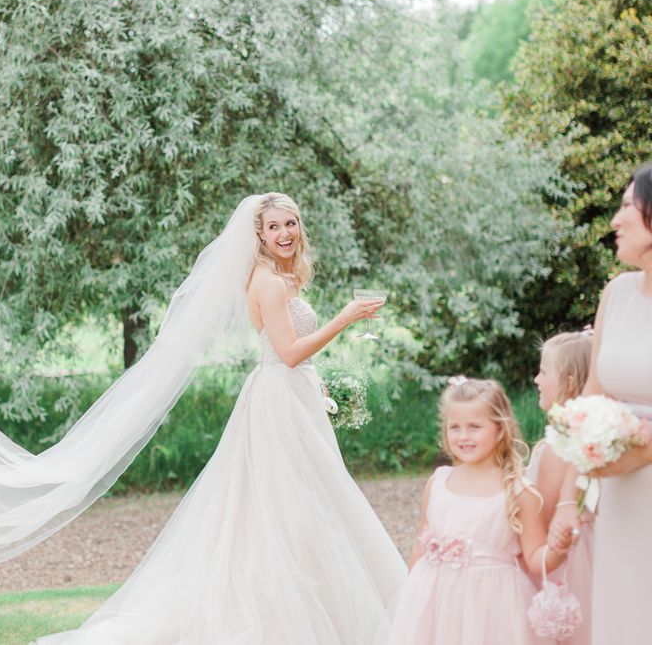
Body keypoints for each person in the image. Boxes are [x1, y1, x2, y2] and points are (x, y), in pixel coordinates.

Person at [28, 192, 407, 643]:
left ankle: (321, 607)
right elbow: (286, 354)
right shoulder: (267, 282)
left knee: (305, 503)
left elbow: (287, 353)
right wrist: (344, 318)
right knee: (290, 507)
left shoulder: (283, 278)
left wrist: (316, 381)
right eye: (274, 227)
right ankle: (283, 615)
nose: (285, 233)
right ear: (260, 236)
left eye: (291, 224)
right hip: (279, 403)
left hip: (292, 397)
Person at [388, 378, 572, 645]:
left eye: (474, 427)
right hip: (436, 603)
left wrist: (557, 548)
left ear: (500, 429)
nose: (463, 436)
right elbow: (421, 544)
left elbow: (534, 557)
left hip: (492, 608)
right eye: (455, 427)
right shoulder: (439, 482)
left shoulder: (518, 491)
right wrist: (412, 597)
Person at [552, 164, 652, 645]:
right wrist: (569, 500)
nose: (615, 219)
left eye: (627, 206)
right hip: (620, 496)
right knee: (624, 617)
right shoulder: (617, 294)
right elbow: (589, 401)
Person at [530, 331, 594, 645]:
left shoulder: (556, 449)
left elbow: (538, 522)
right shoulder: (602, 446)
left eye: (543, 371)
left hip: (565, 574)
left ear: (568, 383)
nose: (536, 379)